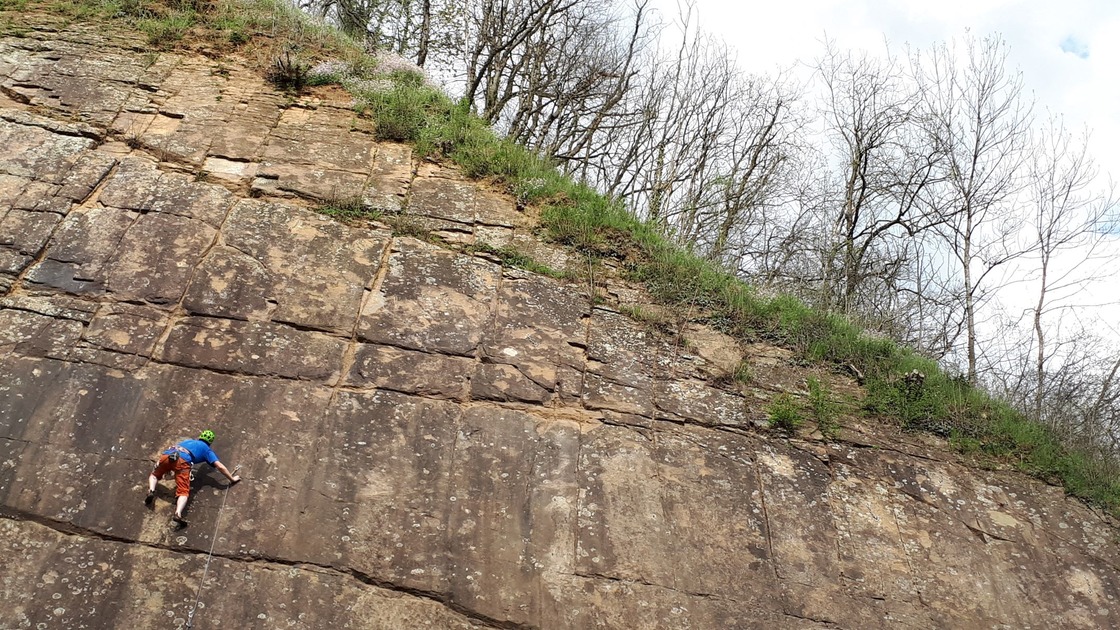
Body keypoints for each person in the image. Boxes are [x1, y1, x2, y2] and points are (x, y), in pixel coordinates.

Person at [146, 429, 241, 526]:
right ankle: (177, 514)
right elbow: (220, 466)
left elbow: (176, 448)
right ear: (210, 442)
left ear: (200, 437)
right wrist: (232, 479)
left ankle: (151, 490)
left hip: (167, 455)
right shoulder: (207, 450)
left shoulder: (188, 441)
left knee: (154, 475)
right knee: (183, 492)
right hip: (183, 461)